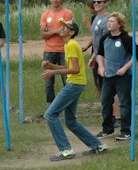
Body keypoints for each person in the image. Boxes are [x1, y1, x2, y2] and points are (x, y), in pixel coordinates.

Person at [41, 19, 106, 161]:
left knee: (51, 114)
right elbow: (68, 68)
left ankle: (66, 150)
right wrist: (51, 65)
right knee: (70, 120)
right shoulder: (69, 45)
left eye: (66, 27)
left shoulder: (71, 44)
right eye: (62, 26)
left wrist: (54, 73)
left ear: (72, 32)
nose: (62, 28)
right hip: (77, 83)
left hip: (74, 84)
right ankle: (97, 145)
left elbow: (75, 70)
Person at [97, 12, 135, 142]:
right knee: (106, 101)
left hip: (122, 76)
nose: (109, 23)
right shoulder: (105, 39)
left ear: (119, 24)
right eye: (108, 21)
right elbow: (99, 54)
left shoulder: (125, 39)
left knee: (124, 103)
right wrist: (101, 67)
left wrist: (124, 68)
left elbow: (136, 55)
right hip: (108, 76)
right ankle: (107, 128)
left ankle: (126, 131)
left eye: (112, 21)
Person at [40, 0, 73, 116]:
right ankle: (50, 107)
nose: (55, 0)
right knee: (48, 81)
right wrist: (55, 31)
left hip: (64, 49)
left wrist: (51, 31)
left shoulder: (67, 13)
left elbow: (65, 30)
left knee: (67, 78)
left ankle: (68, 107)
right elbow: (43, 34)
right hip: (49, 50)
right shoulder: (45, 14)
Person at [82, 0, 110, 99]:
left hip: (103, 54)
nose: (95, 5)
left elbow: (99, 37)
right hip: (97, 52)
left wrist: (87, 23)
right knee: (98, 81)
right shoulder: (96, 18)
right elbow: (95, 38)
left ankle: (112, 109)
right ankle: (104, 105)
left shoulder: (102, 18)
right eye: (94, 3)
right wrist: (90, 50)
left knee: (104, 82)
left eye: (98, 2)